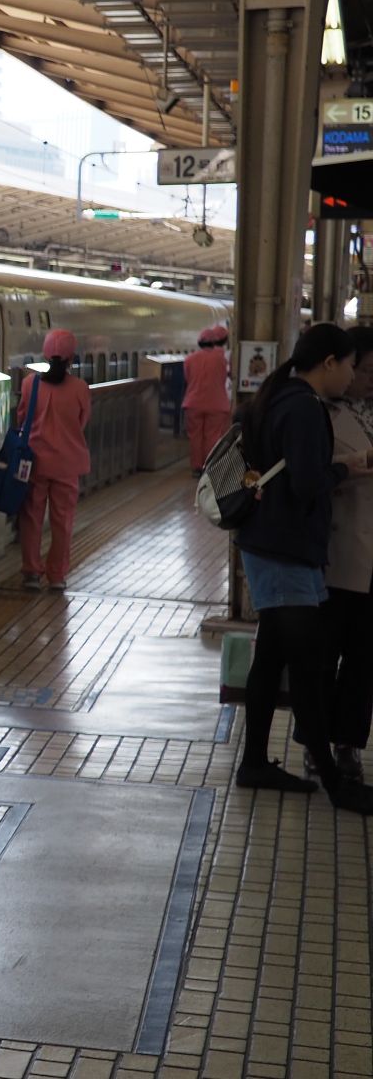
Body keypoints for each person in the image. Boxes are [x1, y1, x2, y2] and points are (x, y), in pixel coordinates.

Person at [235, 322, 373, 812]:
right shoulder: (304, 408)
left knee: (272, 660)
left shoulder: (282, 397)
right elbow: (307, 483)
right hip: (285, 551)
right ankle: (335, 784)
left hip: (270, 545)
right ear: (329, 363)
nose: (352, 376)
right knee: (308, 670)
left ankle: (254, 761)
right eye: (350, 366)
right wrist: (347, 468)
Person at [322, 324, 373, 783]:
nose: (369, 379)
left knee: (364, 661)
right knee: (326, 655)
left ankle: (349, 745)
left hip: (370, 556)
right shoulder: (322, 413)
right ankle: (315, 743)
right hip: (337, 554)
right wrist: (354, 467)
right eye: (365, 369)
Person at [17, 330, 93, 591]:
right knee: (63, 521)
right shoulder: (80, 388)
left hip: (34, 463)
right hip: (67, 464)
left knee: (31, 518)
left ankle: (31, 572)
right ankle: (57, 576)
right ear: (72, 357)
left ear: (45, 354)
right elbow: (81, 422)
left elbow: (21, 418)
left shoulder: (30, 384)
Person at [182, 325, 232, 474]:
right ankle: (209, 467)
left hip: (193, 403)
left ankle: (196, 467)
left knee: (195, 437)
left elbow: (187, 379)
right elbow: (226, 377)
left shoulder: (189, 359)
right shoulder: (221, 359)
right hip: (217, 403)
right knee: (213, 436)